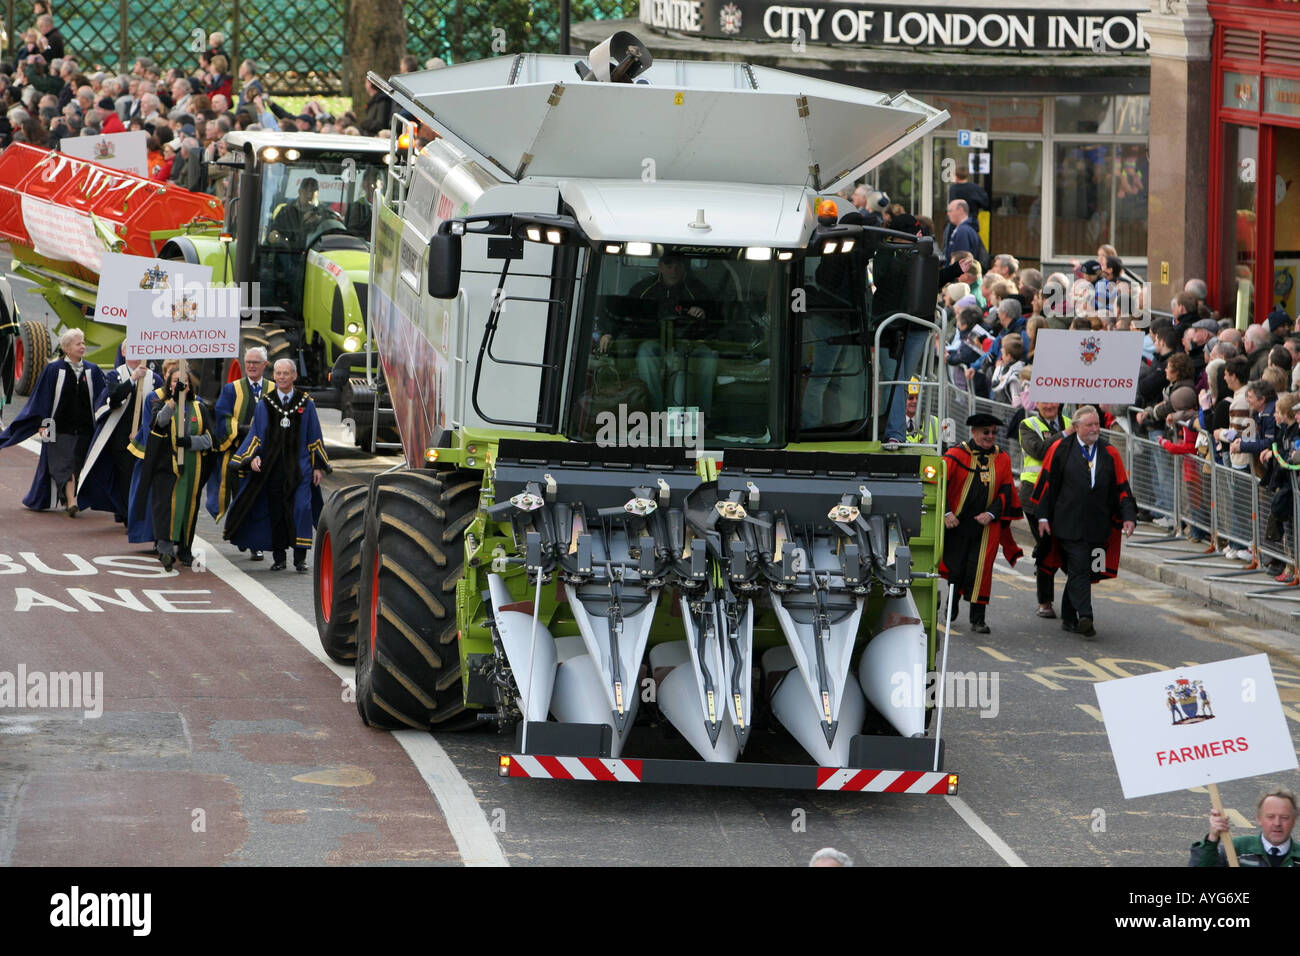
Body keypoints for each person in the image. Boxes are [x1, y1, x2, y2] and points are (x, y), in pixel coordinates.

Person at [1030, 405, 1137, 638]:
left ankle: (1068, 616)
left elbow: (1122, 487)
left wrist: (1128, 517)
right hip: (1068, 523)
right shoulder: (1061, 450)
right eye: (1089, 425)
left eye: (1097, 424)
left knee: (1087, 571)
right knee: (1078, 565)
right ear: (1076, 427)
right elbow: (1047, 485)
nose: (1094, 429)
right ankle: (1086, 616)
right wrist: (1043, 516)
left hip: (1099, 526)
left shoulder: (1109, 452)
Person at [224, 359, 331, 572]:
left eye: (286, 373)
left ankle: (300, 558)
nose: (282, 377)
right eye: (278, 373)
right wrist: (253, 456)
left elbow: (314, 435)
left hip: (300, 468)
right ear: (274, 376)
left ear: (294, 376)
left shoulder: (306, 403)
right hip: (273, 468)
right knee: (277, 511)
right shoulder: (266, 403)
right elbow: (257, 435)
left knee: (302, 508)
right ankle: (280, 557)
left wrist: (317, 466)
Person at [0, 328, 112, 515]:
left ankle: (71, 498)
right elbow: (42, 398)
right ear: (67, 348)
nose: (83, 346)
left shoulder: (92, 370)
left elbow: (101, 398)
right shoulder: (54, 370)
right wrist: (42, 424)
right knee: (63, 464)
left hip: (85, 429)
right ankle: (71, 501)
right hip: (57, 428)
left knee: (78, 464)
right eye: (78, 343)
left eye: (83, 342)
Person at [597, 252, 717, 416]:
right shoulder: (643, 289)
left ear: (684, 266)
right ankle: (655, 414)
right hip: (654, 343)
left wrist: (703, 315)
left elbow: (717, 322)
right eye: (668, 266)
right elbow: (622, 314)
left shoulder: (698, 291)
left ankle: (704, 418)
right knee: (646, 352)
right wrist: (608, 332)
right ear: (660, 266)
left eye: (677, 266)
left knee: (708, 357)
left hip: (688, 344)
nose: (673, 271)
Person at [939, 413, 1022, 634]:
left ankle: (978, 619)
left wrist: (992, 514)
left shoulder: (1002, 457)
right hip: (957, 522)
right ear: (974, 432)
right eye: (986, 432)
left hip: (985, 524)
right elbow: (939, 486)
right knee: (957, 568)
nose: (990, 436)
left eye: (994, 432)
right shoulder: (955, 455)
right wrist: (947, 513)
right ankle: (953, 603)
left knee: (981, 570)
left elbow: (1005, 490)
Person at [128, 361, 215, 570]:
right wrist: (173, 401)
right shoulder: (160, 403)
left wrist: (191, 442)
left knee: (188, 508)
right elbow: (159, 422)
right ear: (169, 383)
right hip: (166, 466)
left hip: (192, 467)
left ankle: (185, 548)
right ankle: (165, 549)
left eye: (183, 382)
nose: (180, 385)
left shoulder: (199, 407)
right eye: (175, 381)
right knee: (165, 507)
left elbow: (211, 439)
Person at [80, 355, 163, 526]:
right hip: (121, 437)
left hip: (145, 438)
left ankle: (141, 515)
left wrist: (141, 432)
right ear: (124, 353)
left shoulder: (154, 379)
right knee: (126, 478)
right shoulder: (114, 375)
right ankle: (128, 517)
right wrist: (132, 380)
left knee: (144, 477)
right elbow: (114, 398)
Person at [205, 346, 274, 540]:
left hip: (264, 455)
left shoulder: (273, 389)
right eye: (248, 362)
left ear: (264, 365)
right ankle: (243, 536)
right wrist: (241, 429)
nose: (251, 366)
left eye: (255, 362)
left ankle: (256, 543)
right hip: (237, 453)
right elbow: (222, 417)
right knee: (241, 498)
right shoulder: (231, 389)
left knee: (260, 499)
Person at [1018, 400, 1072, 618]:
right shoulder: (1027, 424)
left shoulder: (1070, 421)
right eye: (1044, 401)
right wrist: (1067, 434)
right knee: (1046, 547)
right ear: (1036, 403)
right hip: (1035, 497)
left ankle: (1074, 601)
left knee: (1069, 547)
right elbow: (1040, 451)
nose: (1049, 405)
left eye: (1052, 400)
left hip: (1063, 496)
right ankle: (1045, 601)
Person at [1190, 788, 1300, 867]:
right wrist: (1212, 838)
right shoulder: (1236, 849)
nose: (1277, 823)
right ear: (1259, 819)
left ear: (1294, 820)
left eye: (1284, 817)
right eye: (1270, 817)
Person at [268, 177, 336, 248]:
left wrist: (320, 221)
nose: (309, 195)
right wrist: (274, 236)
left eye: (312, 191)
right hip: (289, 253)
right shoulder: (286, 212)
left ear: (318, 193)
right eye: (306, 191)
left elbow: (334, 236)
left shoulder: (326, 214)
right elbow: (274, 232)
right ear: (300, 192)